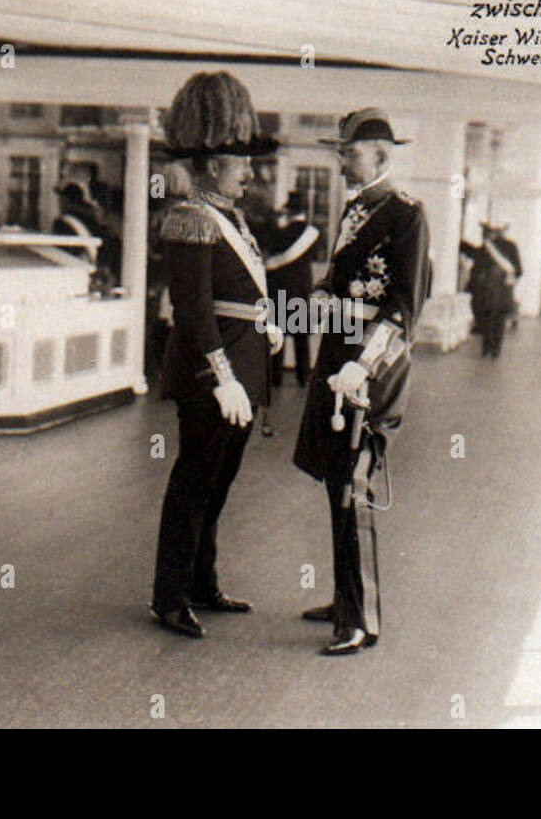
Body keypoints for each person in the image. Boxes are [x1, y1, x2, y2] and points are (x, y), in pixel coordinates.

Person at [150, 71, 282, 640]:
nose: (250, 171)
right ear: (208, 165)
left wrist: (267, 323)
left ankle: (202, 583)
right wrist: (220, 377)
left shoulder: (230, 217)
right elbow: (193, 309)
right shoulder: (189, 217)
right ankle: (169, 595)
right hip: (214, 375)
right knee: (194, 484)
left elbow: (238, 293)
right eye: (240, 162)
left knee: (220, 483)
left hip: (244, 369)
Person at [293, 108, 430, 656]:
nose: (341, 160)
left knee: (356, 484)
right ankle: (345, 597)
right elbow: (338, 281)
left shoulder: (406, 215)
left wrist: (363, 364)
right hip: (338, 357)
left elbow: (404, 307)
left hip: (372, 366)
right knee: (336, 479)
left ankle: (361, 618)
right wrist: (307, 308)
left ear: (381, 156)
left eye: (348, 152)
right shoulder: (354, 208)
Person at [263, 190, 320, 386]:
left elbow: (269, 256)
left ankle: (275, 377)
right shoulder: (313, 233)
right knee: (301, 337)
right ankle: (303, 376)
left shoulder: (279, 232)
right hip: (301, 289)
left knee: (277, 333)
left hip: (278, 289)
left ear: (288, 211)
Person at [460, 222, 522, 358]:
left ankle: (488, 347)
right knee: (498, 319)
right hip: (502, 291)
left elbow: (476, 262)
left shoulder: (488, 247)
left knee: (488, 318)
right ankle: (494, 349)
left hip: (488, 291)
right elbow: (518, 270)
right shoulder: (510, 247)